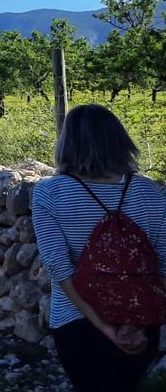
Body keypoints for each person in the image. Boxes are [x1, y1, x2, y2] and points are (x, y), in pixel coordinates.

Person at [32, 105, 166, 392]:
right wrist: (137, 325)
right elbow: (163, 261)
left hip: (77, 322)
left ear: (68, 142)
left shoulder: (49, 192)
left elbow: (58, 267)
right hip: (143, 323)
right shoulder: (151, 192)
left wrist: (105, 328)